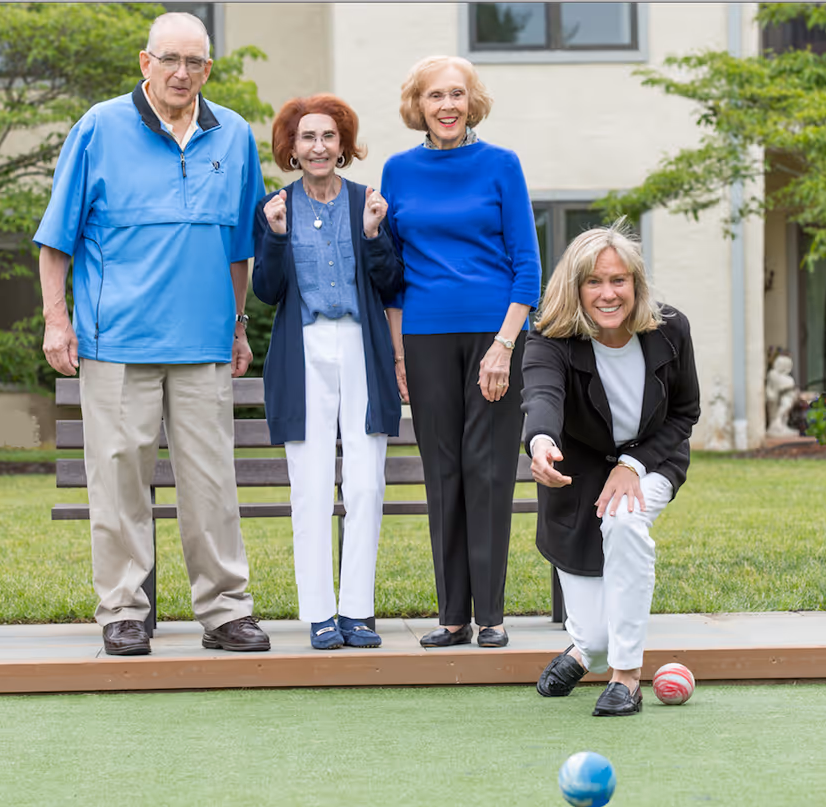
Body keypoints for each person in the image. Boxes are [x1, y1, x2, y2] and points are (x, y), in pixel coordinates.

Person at [34, 12, 269, 656]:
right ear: (145, 62)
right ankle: (124, 611)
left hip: (204, 344)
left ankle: (225, 610)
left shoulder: (236, 136)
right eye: (170, 60)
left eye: (194, 62)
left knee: (212, 482)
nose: (181, 73)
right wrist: (58, 320)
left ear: (208, 70)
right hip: (117, 341)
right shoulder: (99, 127)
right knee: (119, 481)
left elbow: (238, 248)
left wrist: (240, 326)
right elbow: (57, 239)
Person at [381, 55, 542, 649]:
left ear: (471, 101)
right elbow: (393, 276)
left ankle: (492, 615)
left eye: (456, 94)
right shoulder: (398, 172)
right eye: (433, 96)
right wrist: (399, 355)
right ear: (417, 106)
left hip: (493, 335)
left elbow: (528, 266)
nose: (446, 105)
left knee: (489, 471)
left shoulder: (502, 165)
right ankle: (452, 615)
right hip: (424, 337)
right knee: (441, 473)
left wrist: (504, 346)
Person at [523, 223, 700, 716]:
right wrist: (540, 444)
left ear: (636, 283)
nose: (608, 293)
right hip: (576, 475)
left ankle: (626, 678)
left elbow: (685, 414)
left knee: (624, 522)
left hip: (654, 459)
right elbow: (542, 398)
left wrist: (632, 464)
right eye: (594, 282)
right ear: (575, 287)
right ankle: (587, 653)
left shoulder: (670, 328)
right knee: (597, 639)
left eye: (619, 280)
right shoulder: (549, 338)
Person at [252, 95, 404, 650]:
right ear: (291, 148)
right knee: (311, 486)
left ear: (343, 146)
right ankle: (318, 612)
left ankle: (357, 611)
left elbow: (391, 284)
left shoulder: (370, 202)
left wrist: (371, 235)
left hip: (362, 348)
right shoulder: (276, 207)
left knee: (365, 483)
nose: (319, 147)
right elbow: (267, 292)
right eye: (307, 137)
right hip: (304, 350)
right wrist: (272, 235)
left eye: (329, 137)